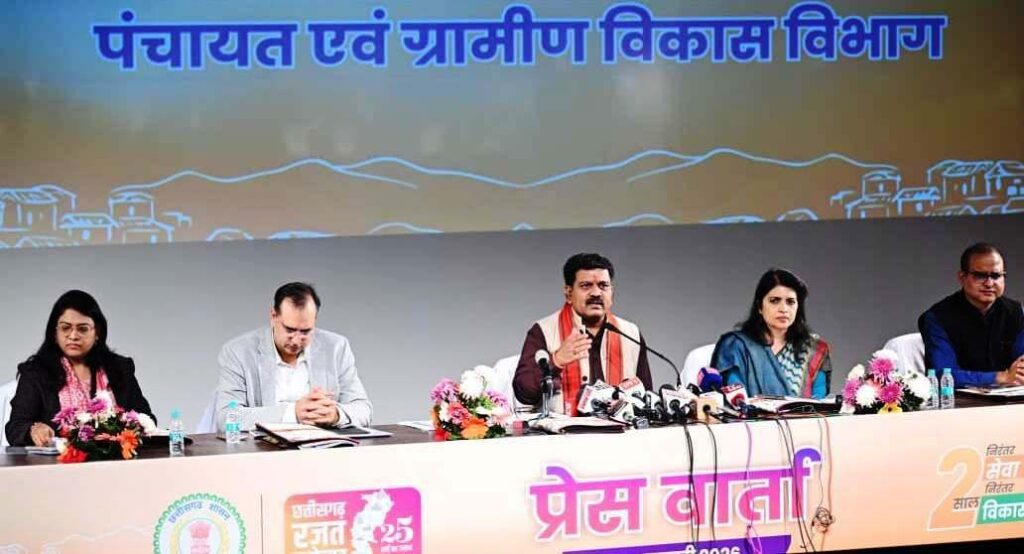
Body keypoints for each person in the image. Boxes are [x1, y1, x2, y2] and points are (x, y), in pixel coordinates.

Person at [5, 290, 155, 447]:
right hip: (59, 460)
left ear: (97, 332)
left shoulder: (120, 368)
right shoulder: (36, 372)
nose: (73, 336)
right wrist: (33, 430)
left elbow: (147, 418)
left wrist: (134, 426)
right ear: (55, 333)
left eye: (82, 329)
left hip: (117, 458)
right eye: (65, 328)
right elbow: (15, 427)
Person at [216, 282, 372, 431]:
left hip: (321, 446)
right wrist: (293, 413)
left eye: (305, 331)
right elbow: (227, 417)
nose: (296, 340)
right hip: (263, 448)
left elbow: (363, 409)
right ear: (273, 316)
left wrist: (336, 414)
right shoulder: (238, 352)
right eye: (289, 330)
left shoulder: (336, 347)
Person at [513, 253, 652, 415]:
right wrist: (555, 361)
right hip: (564, 430)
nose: (596, 293)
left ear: (612, 292)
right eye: (586, 286)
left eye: (603, 285)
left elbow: (646, 397)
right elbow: (524, 393)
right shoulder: (543, 331)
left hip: (620, 429)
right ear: (569, 293)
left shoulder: (630, 333)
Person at [711, 268, 832, 399]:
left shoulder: (814, 349)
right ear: (759, 306)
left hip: (806, 414)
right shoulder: (736, 347)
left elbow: (819, 403)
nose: (784, 309)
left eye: (790, 302)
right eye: (774, 301)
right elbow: (736, 400)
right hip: (750, 413)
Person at [919, 242, 1024, 387]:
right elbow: (943, 374)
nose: (989, 283)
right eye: (980, 276)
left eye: (996, 276)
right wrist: (999, 377)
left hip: (1011, 395)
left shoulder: (1016, 312)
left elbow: (1021, 364)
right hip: (958, 399)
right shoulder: (938, 318)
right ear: (962, 277)